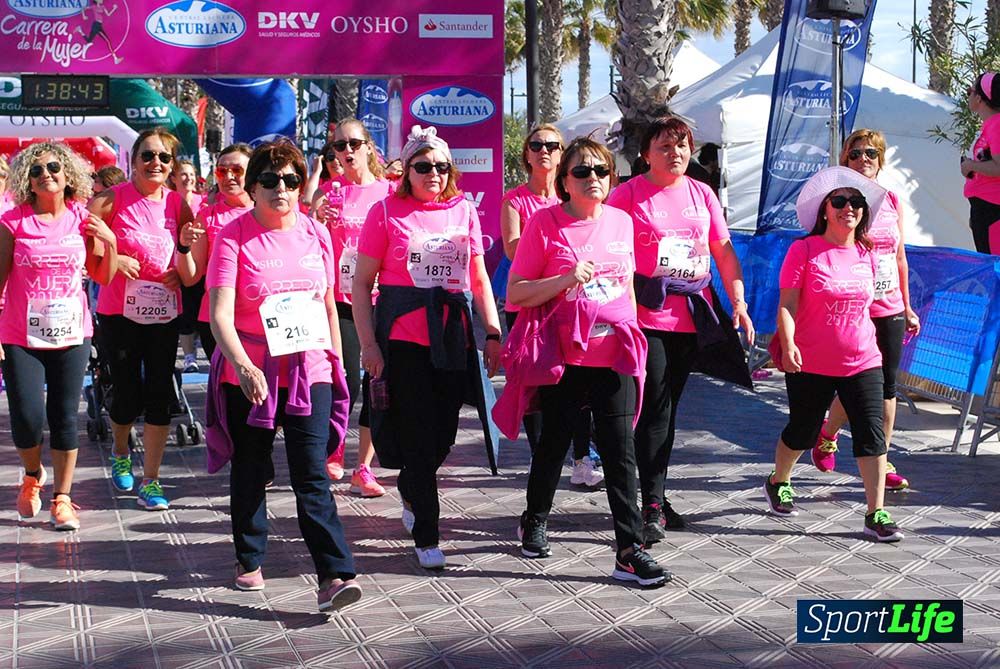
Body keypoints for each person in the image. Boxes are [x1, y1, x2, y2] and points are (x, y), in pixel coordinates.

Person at [496, 137, 670, 587]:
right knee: (553, 444)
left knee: (619, 451)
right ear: (564, 181)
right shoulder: (544, 224)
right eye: (582, 172)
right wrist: (564, 278)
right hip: (564, 357)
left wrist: (636, 342)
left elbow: (626, 286)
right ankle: (534, 518)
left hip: (616, 353)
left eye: (601, 171)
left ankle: (629, 551)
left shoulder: (620, 222)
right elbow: (516, 293)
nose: (593, 179)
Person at [203, 139, 360, 611]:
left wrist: (335, 361)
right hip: (249, 374)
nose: (281, 189)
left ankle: (334, 574)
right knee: (251, 470)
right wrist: (243, 366)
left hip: (309, 369)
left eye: (291, 179)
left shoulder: (316, 233)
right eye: (269, 180)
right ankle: (249, 557)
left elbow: (329, 304)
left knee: (311, 474)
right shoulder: (233, 236)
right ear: (252, 188)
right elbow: (219, 316)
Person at [353, 125, 502, 570]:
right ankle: (427, 532)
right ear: (407, 172)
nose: (432, 173)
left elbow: (478, 278)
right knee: (418, 435)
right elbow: (362, 285)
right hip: (402, 340)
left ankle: (412, 487)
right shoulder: (385, 212)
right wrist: (368, 346)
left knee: (442, 438)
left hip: (452, 338)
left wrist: (492, 332)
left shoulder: (463, 212)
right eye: (423, 166)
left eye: (441, 166)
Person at [607, 117, 754, 543]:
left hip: (691, 314)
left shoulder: (701, 193)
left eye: (682, 145)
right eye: (665, 145)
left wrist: (739, 302)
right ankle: (649, 503)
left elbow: (723, 251)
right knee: (653, 407)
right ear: (646, 153)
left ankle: (654, 493)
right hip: (644, 314)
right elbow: (604, 243)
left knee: (666, 410)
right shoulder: (628, 194)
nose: (675, 152)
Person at [764, 166, 903, 542]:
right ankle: (779, 479)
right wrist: (789, 342)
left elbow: (873, 305)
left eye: (856, 202)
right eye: (839, 201)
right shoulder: (804, 250)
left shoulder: (866, 252)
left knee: (872, 434)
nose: (848, 208)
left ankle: (876, 512)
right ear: (824, 210)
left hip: (862, 359)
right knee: (803, 431)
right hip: (810, 360)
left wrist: (903, 315)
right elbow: (788, 304)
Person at [0, 142, 117, 530]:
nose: (45, 174)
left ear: (68, 175)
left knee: (65, 416)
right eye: (36, 171)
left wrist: (111, 242)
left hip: (71, 332)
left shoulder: (83, 220)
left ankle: (63, 499)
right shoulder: (13, 223)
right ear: (27, 182)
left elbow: (102, 276)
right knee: (28, 418)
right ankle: (33, 474)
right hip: (22, 334)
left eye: (53, 167)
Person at [90, 127, 194, 511]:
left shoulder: (178, 205)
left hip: (163, 311)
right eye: (147, 156)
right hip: (120, 314)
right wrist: (116, 260)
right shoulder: (109, 200)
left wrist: (177, 271)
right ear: (132, 161)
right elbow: (89, 259)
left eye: (164, 158)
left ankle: (151, 480)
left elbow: (189, 265)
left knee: (160, 397)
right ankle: (121, 449)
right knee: (126, 394)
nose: (156, 163)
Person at [811, 130, 921, 491]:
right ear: (846, 160)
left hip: (887, 304)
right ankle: (828, 432)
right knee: (855, 382)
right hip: (852, 304)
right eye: (856, 153)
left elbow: (899, 256)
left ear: (881, 158)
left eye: (871, 153)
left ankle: (882, 460)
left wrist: (906, 305)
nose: (864, 159)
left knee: (887, 388)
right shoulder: (841, 201)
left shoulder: (891, 200)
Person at [500, 125, 602, 488]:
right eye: (536, 145)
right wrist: (549, 238)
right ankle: (540, 453)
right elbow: (514, 251)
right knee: (536, 374)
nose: (544, 150)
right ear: (526, 154)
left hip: (578, 303)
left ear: (562, 156)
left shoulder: (580, 197)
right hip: (531, 302)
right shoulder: (515, 201)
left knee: (580, 377)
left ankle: (581, 457)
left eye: (552, 145)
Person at [309, 119, 390, 497]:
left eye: (354, 143)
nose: (347, 152)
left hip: (381, 298)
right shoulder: (329, 192)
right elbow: (310, 244)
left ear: (368, 147)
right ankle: (335, 444)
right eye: (339, 146)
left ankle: (364, 467)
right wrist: (317, 220)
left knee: (378, 382)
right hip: (341, 299)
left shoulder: (388, 192)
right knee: (347, 376)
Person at [176, 144, 253, 363]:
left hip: (260, 318)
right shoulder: (207, 216)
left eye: (237, 170)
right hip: (218, 319)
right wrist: (183, 247)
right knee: (230, 391)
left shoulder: (268, 212)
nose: (228, 176)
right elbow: (191, 277)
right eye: (222, 171)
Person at [170, 159, 206, 372]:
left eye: (191, 174)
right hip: (178, 266)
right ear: (173, 179)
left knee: (200, 312)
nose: (188, 178)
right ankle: (189, 357)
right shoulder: (168, 202)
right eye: (183, 174)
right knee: (185, 315)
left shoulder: (204, 203)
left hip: (201, 266)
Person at [961, 71, 1000, 254]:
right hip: (985, 210)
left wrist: (971, 166)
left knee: (995, 269)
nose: (968, 95)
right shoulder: (991, 125)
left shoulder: (997, 124)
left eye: (970, 91)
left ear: (980, 98)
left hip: (994, 210)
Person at [303, 139, 346, 205]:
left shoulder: (353, 181)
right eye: (330, 157)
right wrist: (316, 171)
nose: (335, 161)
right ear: (324, 161)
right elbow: (309, 201)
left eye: (339, 156)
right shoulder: (318, 182)